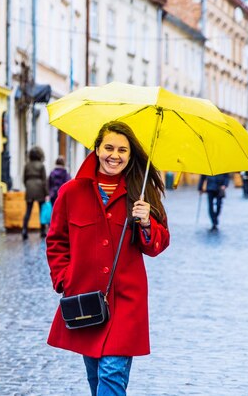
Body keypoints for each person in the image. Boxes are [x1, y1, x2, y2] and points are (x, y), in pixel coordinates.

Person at [46, 121, 170, 395]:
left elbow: (158, 245)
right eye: (109, 147)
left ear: (130, 154)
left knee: (111, 374)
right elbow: (56, 241)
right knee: (96, 377)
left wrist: (147, 222)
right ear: (97, 149)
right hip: (86, 298)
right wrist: (65, 279)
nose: (115, 155)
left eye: (123, 150)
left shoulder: (141, 193)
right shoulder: (71, 192)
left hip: (127, 301)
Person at [22, 146, 48, 240]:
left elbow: (24, 179)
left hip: (29, 188)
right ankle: (42, 231)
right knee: (42, 211)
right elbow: (45, 180)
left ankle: (24, 230)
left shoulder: (27, 165)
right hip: (39, 188)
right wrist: (46, 193)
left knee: (28, 211)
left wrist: (28, 186)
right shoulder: (41, 166)